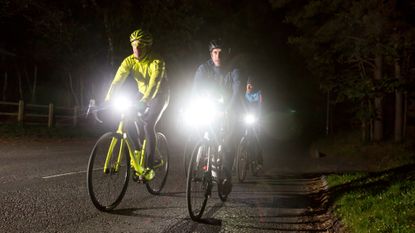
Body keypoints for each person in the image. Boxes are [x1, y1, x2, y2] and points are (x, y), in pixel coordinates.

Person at [105, 28, 169, 168]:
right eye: (134, 46)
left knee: (148, 125)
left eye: (140, 46)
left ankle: (150, 164)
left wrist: (145, 101)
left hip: (159, 95)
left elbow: (154, 84)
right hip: (141, 94)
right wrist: (108, 98)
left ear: (147, 47)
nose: (136, 50)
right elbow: (117, 81)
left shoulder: (157, 61)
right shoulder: (129, 61)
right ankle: (139, 150)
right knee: (126, 118)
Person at [192, 39, 241, 196]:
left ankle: (226, 176)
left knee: (227, 142)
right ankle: (203, 155)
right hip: (210, 108)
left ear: (225, 54)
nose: (217, 55)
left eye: (220, 52)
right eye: (215, 52)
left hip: (227, 110)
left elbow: (237, 91)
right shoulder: (204, 68)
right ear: (211, 54)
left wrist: (228, 109)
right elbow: (196, 88)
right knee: (197, 127)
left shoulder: (233, 70)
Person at [244, 77, 263, 172]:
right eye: (248, 85)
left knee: (256, 140)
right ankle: (240, 160)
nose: (249, 87)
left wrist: (259, 117)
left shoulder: (258, 94)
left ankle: (259, 162)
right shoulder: (244, 94)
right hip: (245, 118)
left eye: (251, 85)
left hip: (256, 118)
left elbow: (261, 106)